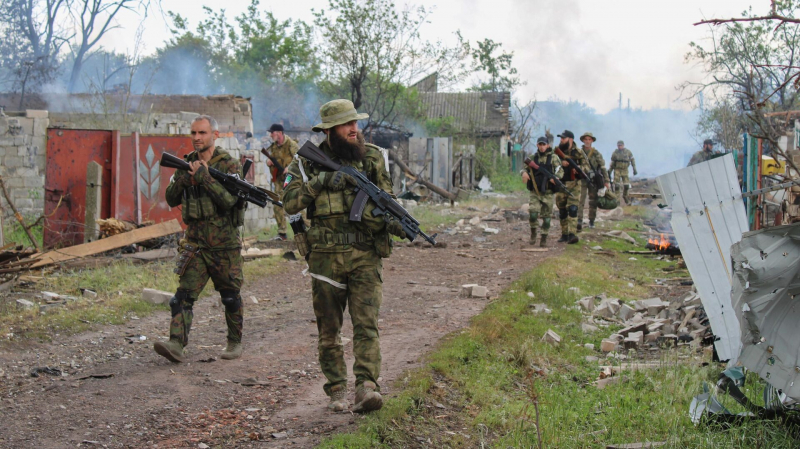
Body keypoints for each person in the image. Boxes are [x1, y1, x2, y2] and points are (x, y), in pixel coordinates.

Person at [282, 99, 405, 413]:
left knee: (366, 325)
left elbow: (387, 200)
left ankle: (367, 386)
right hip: (324, 258)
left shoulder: (374, 157)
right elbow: (289, 202)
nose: (355, 129)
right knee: (329, 330)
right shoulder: (303, 162)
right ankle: (336, 388)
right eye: (347, 124)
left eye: (356, 123)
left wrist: (392, 222)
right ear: (329, 130)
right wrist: (321, 181)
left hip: (364, 254)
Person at [155, 115, 245, 363]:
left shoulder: (229, 165)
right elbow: (171, 199)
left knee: (230, 296)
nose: (196, 138)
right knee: (182, 296)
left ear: (214, 135)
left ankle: (234, 342)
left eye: (202, 133)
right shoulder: (185, 164)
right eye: (193, 133)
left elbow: (229, 201)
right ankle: (176, 344)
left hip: (224, 244)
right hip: (195, 243)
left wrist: (204, 178)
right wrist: (184, 179)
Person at [522, 136, 561, 247]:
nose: (542, 147)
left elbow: (559, 170)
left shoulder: (554, 158)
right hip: (535, 191)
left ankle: (544, 237)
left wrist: (556, 178)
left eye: (544, 145)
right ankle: (533, 233)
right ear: (537, 145)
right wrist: (523, 173)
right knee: (533, 214)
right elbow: (524, 167)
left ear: (547, 145)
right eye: (540, 144)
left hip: (548, 192)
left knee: (547, 219)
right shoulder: (533, 158)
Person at [264, 123, 299, 240]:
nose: (270, 135)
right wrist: (269, 162)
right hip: (279, 180)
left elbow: (300, 159)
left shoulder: (291, 144)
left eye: (272, 133)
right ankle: (282, 232)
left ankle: (308, 229)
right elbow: (270, 159)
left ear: (279, 133)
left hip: (291, 178)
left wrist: (289, 168)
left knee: (296, 203)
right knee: (277, 203)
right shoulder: (273, 147)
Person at [555, 130, 589, 244]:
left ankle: (572, 234)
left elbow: (586, 166)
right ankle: (564, 234)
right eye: (561, 138)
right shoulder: (557, 151)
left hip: (574, 184)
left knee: (573, 209)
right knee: (562, 211)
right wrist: (561, 162)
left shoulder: (578, 152)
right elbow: (551, 162)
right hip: (561, 184)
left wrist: (579, 168)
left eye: (563, 138)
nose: (561, 140)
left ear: (570, 139)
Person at [577, 132, 610, 229]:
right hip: (581, 179)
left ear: (592, 141)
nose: (587, 141)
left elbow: (603, 167)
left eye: (589, 139)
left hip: (593, 180)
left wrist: (606, 180)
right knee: (580, 200)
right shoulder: (578, 152)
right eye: (585, 139)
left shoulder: (596, 153)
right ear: (583, 140)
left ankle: (591, 221)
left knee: (593, 201)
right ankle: (579, 220)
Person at [608, 140, 637, 204]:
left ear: (623, 145)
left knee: (626, 186)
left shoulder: (628, 152)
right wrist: (609, 171)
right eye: (618, 145)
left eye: (621, 145)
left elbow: (632, 160)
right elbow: (612, 163)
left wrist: (634, 169)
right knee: (617, 186)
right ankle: (617, 201)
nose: (619, 147)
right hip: (617, 170)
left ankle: (625, 196)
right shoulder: (615, 153)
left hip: (625, 170)